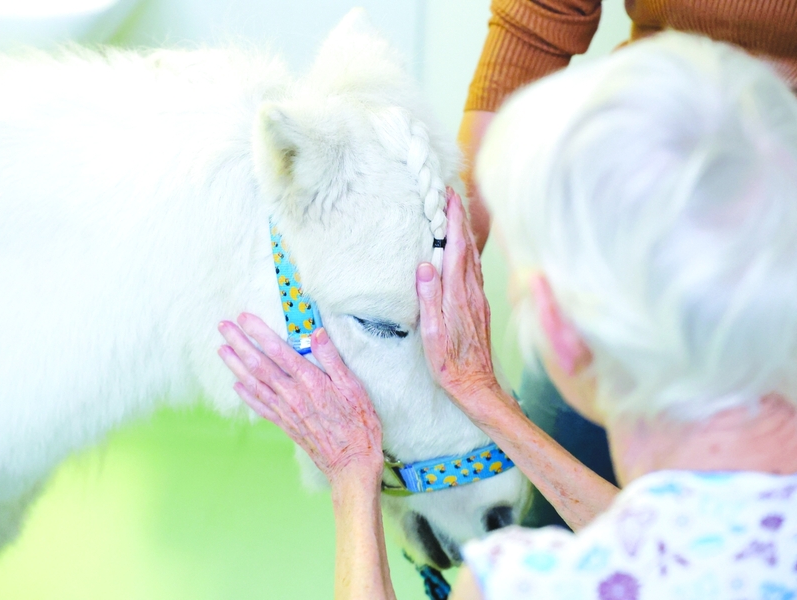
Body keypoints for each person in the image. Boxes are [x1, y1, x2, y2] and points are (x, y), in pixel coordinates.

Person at [218, 33, 797, 599]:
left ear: (564, 337)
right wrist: (485, 399)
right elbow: (681, 551)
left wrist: (351, 479)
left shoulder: (525, 582)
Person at [458, 0, 797, 531]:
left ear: (555, 323)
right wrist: (445, 274)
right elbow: (531, 31)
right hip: (650, 184)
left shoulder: (513, 576)